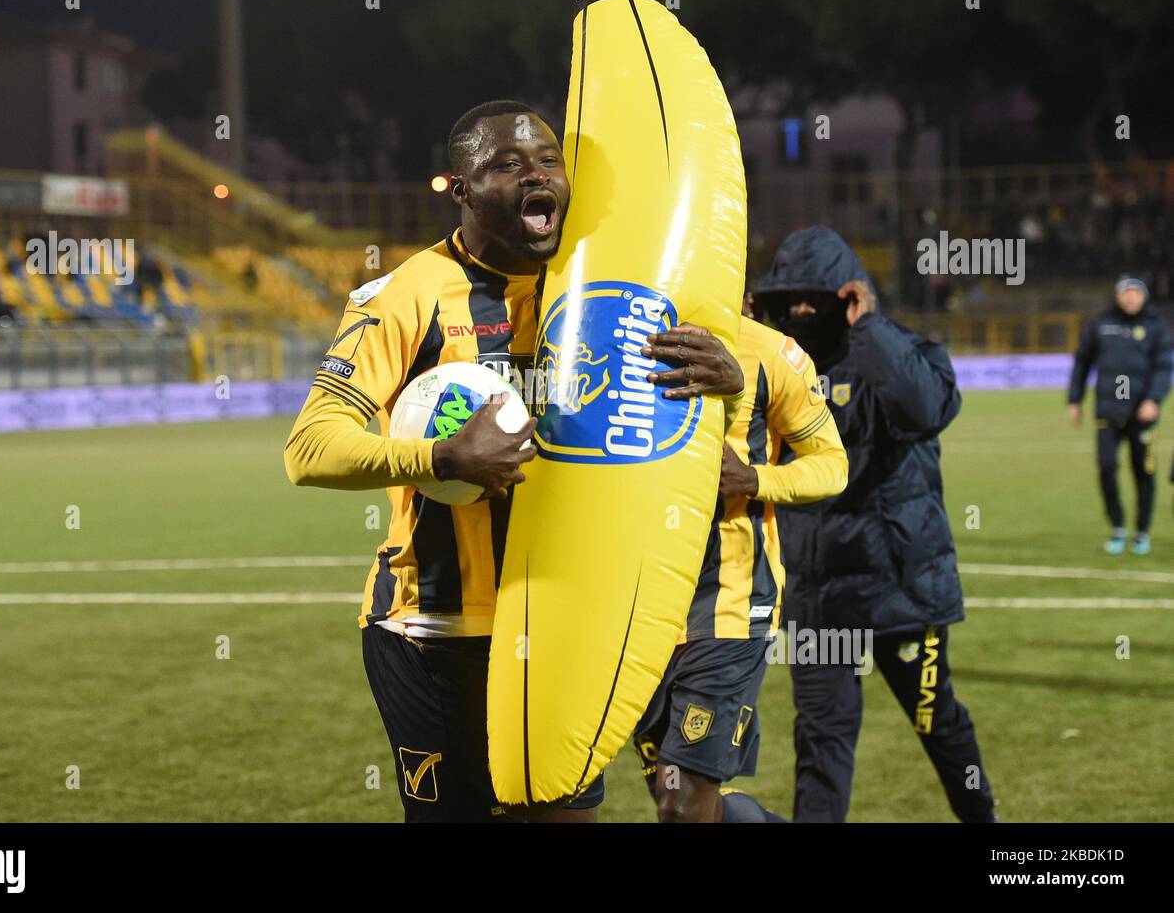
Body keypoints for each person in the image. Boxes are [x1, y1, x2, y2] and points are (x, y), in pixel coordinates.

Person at [283, 100, 744, 822]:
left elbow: (655, 431)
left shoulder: (597, 290)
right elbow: (309, 447)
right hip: (437, 633)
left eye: (548, 159)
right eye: (507, 163)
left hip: (560, 621)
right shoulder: (409, 295)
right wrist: (440, 456)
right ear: (461, 189)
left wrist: (728, 384)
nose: (538, 174)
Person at [751, 225, 996, 823]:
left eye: (816, 298)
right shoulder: (777, 370)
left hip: (900, 591)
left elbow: (922, 409)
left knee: (937, 721)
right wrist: (750, 332)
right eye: (791, 302)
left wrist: (870, 331)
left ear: (851, 295)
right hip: (817, 595)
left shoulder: (905, 352)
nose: (804, 312)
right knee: (821, 738)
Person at [633, 314, 847, 823]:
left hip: (729, 602)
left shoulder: (771, 353)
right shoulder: (618, 333)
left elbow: (833, 464)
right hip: (636, 604)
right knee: (673, 788)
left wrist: (755, 479)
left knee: (681, 800)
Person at [1068, 276, 1172, 555]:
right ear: (1117, 296)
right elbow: (1082, 361)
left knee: (1144, 473)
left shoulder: (1155, 327)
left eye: (1135, 293)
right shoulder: (1101, 325)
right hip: (1108, 412)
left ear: (1144, 297)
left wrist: (1153, 400)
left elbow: (1165, 367)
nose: (1130, 298)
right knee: (1106, 467)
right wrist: (1075, 398)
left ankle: (1141, 531)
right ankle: (1117, 526)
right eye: (1126, 293)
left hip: (1142, 414)